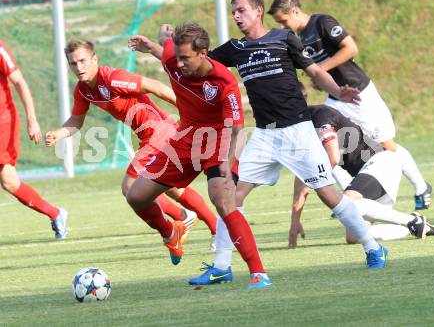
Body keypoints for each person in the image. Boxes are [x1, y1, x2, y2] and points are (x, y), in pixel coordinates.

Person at [187, 0, 387, 287]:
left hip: (298, 131)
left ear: (257, 10)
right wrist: (162, 47)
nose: (236, 16)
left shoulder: (284, 39)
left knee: (328, 195)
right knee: (231, 196)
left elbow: (316, 72)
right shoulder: (235, 48)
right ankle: (222, 265)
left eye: (241, 10)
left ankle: (373, 247)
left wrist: (337, 91)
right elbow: (199, 65)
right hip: (265, 135)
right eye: (233, 11)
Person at [127, 22, 272, 289]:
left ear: (203, 53)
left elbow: (238, 129)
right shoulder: (174, 60)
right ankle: (171, 232)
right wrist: (157, 42)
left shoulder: (224, 81)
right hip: (185, 140)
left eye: (186, 58)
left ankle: (258, 273)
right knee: (135, 196)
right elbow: (167, 49)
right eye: (178, 57)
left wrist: (228, 166)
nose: (179, 64)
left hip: (218, 140)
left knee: (222, 198)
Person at [45, 39, 218, 248]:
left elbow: (155, 86)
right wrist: (58, 134)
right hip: (149, 135)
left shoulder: (112, 78)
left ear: (94, 59)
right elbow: (76, 121)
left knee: (130, 187)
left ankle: (171, 232)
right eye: (73, 63)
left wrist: (191, 108)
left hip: (159, 132)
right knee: (170, 188)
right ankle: (211, 226)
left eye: (83, 60)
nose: (79, 67)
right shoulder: (83, 90)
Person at [268, 0, 432, 211]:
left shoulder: (322, 23)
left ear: (295, 11)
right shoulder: (297, 38)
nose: (283, 25)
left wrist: (320, 71)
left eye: (284, 20)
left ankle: (421, 187)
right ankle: (349, 200)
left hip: (358, 93)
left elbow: (350, 48)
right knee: (323, 145)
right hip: (336, 98)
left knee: (385, 144)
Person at [287, 84, 434, 248]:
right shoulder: (298, 130)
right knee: (354, 236)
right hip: (370, 174)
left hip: (382, 162)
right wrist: (295, 221)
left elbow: (333, 157)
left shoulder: (321, 114)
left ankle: (411, 221)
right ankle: (412, 225)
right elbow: (301, 176)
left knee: (345, 203)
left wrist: (314, 181)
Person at [0, 40, 68, 239]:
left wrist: (32, 120)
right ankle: (56, 214)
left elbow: (19, 81)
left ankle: (56, 214)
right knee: (10, 182)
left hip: (3, 121)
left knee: (8, 180)